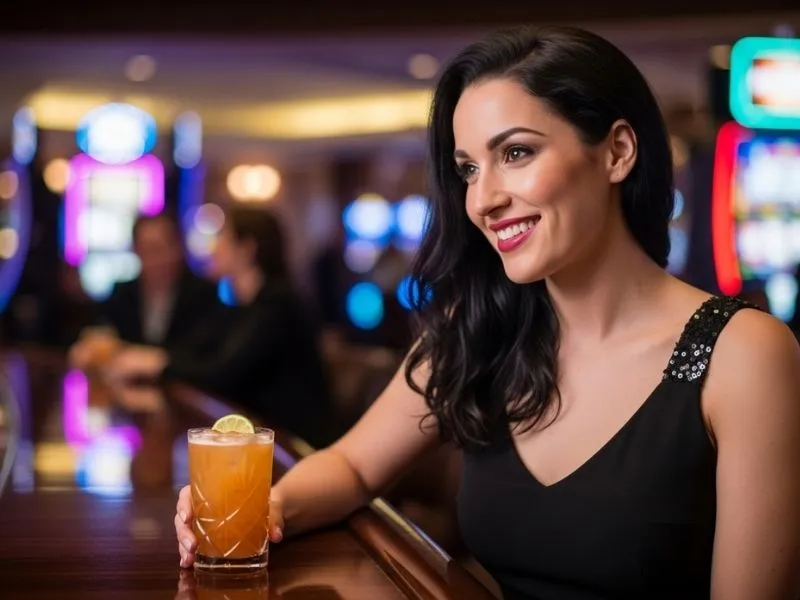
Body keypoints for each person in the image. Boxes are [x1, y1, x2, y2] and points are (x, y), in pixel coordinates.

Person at [174, 27, 800, 599]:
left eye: (517, 153)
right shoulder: (476, 332)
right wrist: (269, 507)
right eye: (468, 169)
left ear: (616, 152)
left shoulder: (744, 354)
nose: (484, 198)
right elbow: (354, 465)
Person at [106, 206, 336, 448]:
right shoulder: (240, 306)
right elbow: (194, 351)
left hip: (296, 445)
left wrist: (157, 364)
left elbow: (221, 373)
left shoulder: (277, 304)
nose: (213, 247)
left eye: (222, 238)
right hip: (262, 436)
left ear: (247, 249)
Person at [68, 212, 221, 367]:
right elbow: (100, 333)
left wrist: (153, 359)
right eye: (145, 249)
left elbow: (202, 355)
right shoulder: (123, 293)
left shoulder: (204, 294)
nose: (153, 259)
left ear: (178, 247)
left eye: (159, 248)